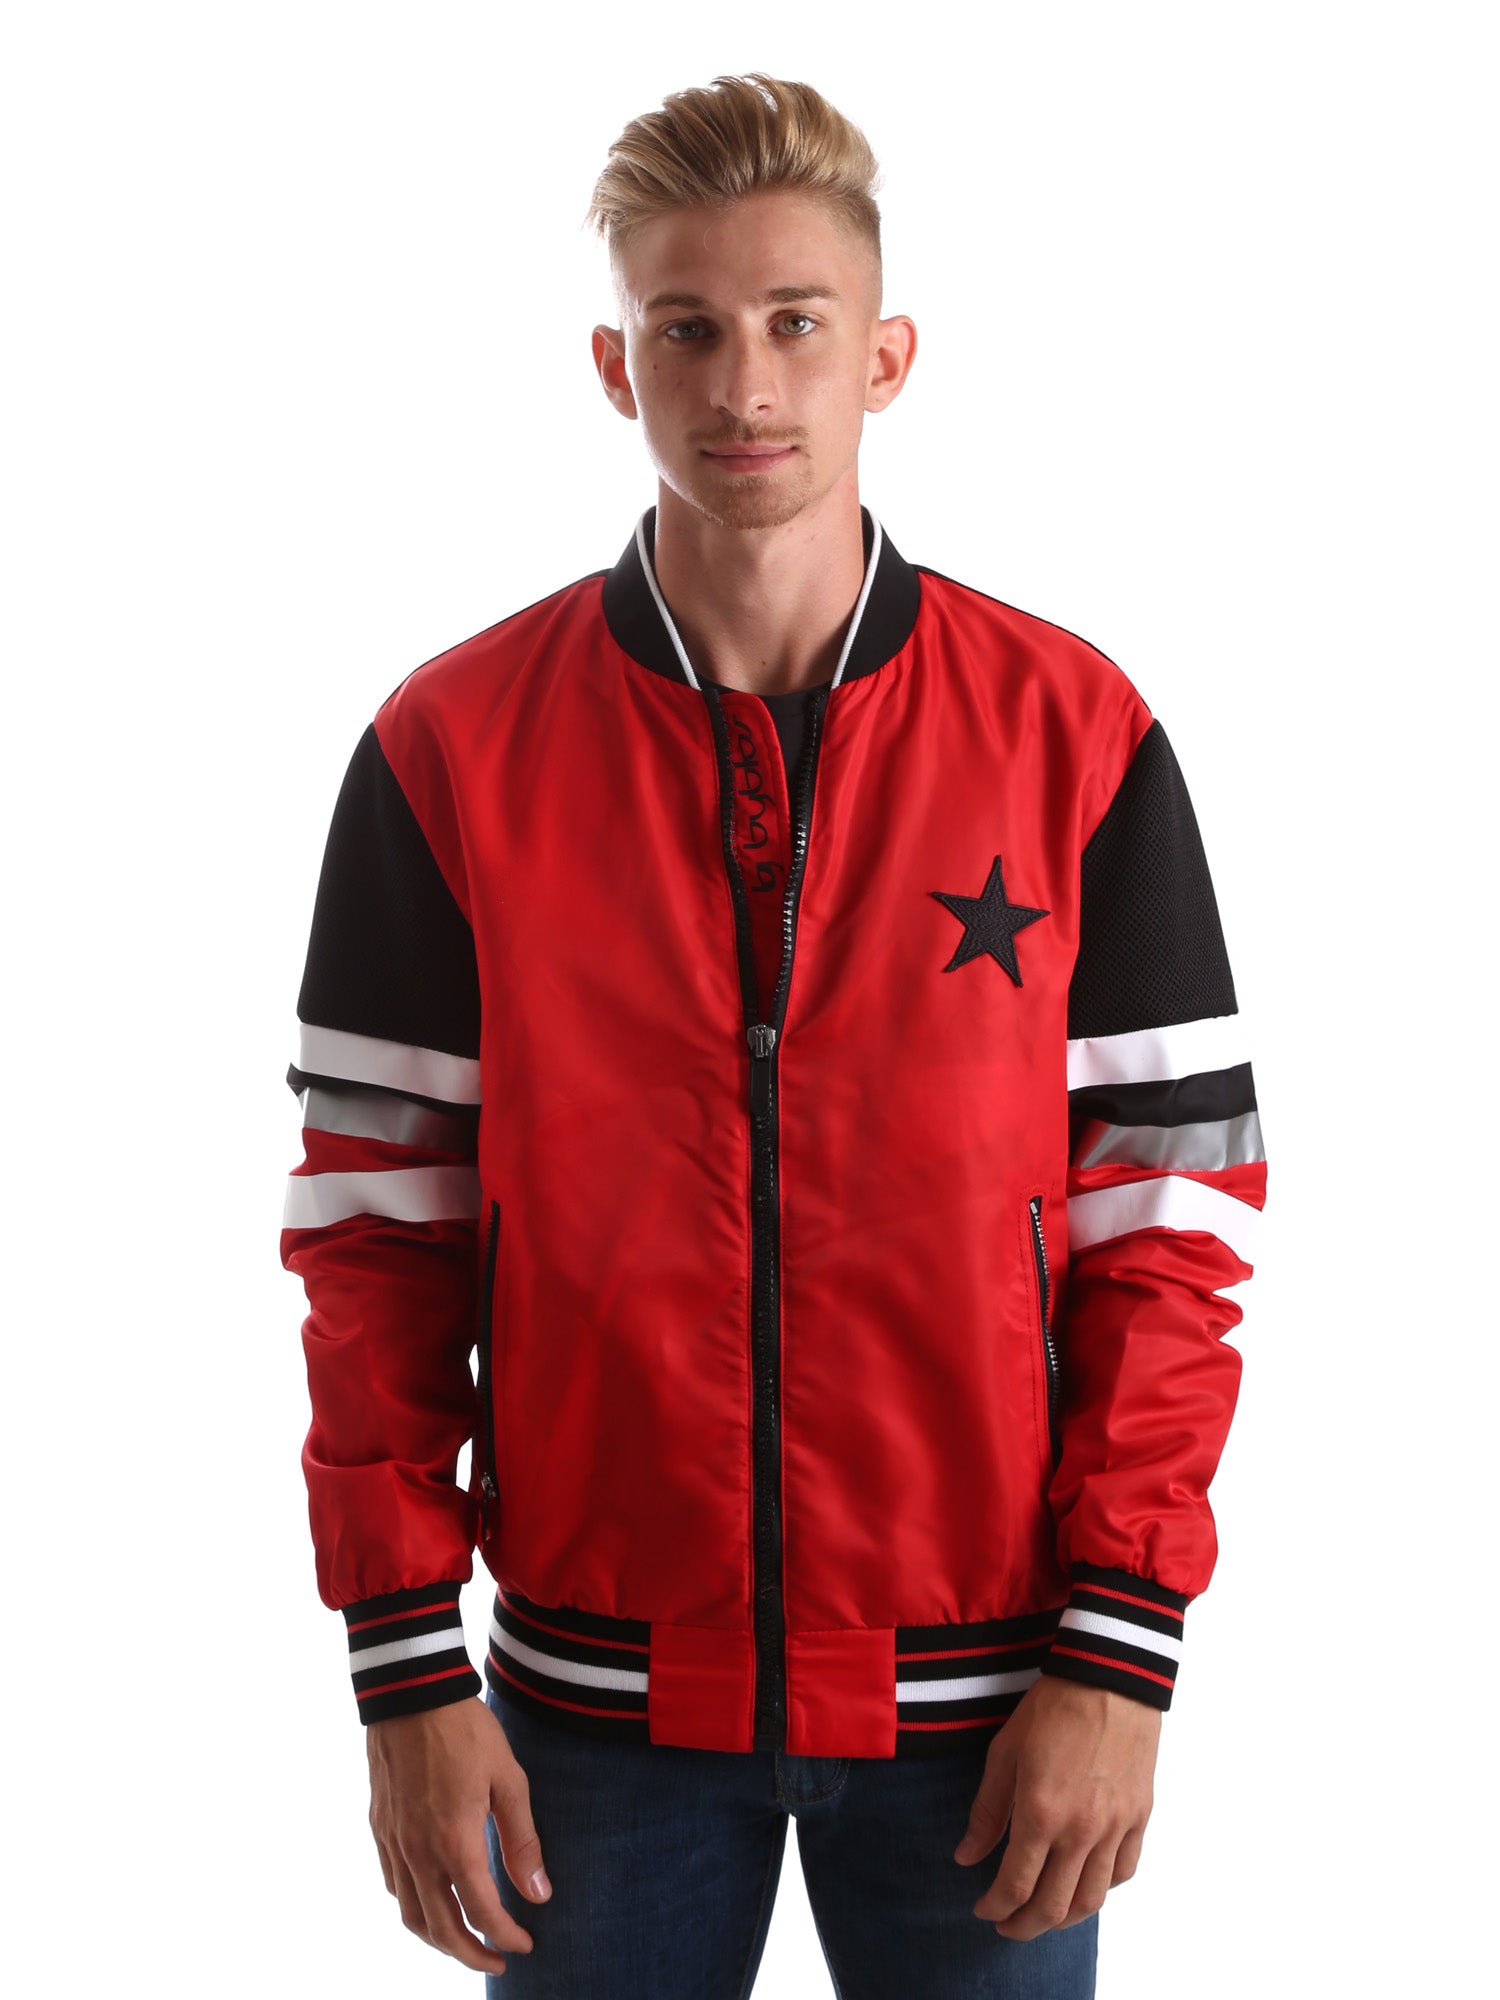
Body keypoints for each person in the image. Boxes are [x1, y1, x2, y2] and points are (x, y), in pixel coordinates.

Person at [280, 71, 1266, 2000]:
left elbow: (1174, 1219)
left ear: (885, 356)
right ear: (614, 365)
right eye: (688, 329)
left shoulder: (1076, 735)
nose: (745, 384)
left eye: (797, 323)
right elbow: (374, 1237)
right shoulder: (449, 750)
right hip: (590, 1719)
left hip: (993, 1714)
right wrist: (403, 1668)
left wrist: (1122, 1650)